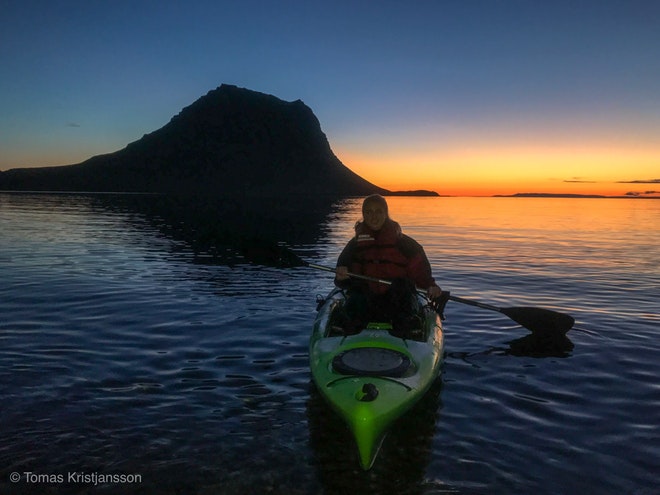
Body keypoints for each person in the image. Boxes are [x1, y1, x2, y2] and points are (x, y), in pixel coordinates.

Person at [334, 194, 442, 334]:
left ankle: (407, 327)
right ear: (363, 214)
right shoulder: (354, 245)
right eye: (369, 212)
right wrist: (341, 278)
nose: (374, 217)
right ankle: (350, 327)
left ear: (386, 213)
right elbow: (341, 281)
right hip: (367, 299)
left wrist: (430, 286)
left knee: (402, 287)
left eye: (378, 211)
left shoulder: (405, 244)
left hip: (396, 299)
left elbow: (420, 271)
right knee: (357, 292)